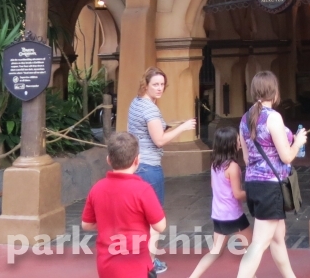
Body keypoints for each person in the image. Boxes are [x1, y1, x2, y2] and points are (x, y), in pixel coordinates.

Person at [235, 71, 306, 278]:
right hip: (270, 186)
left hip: (253, 183)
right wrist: (298, 142)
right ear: (274, 92)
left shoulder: (245, 118)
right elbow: (286, 157)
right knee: (259, 243)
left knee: (277, 238)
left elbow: (247, 159)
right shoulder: (273, 118)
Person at [128, 67, 196, 273]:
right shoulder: (150, 109)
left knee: (139, 217)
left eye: (162, 85)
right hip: (149, 168)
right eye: (155, 84)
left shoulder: (136, 103)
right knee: (154, 219)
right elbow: (159, 140)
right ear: (146, 84)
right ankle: (149, 263)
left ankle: (139, 259)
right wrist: (182, 128)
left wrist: (168, 125)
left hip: (136, 165)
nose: (159, 88)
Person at [82, 132, 167, 278]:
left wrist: (109, 223)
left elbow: (86, 224)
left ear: (108, 160)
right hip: (135, 264)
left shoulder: (97, 188)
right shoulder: (143, 190)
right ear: (137, 160)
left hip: (106, 264)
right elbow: (160, 226)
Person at [187, 126, 250, 278]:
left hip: (218, 214)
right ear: (231, 144)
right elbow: (237, 194)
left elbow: (213, 186)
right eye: (237, 140)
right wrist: (253, 193)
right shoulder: (233, 167)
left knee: (215, 251)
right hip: (234, 215)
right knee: (251, 250)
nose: (239, 142)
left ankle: (193, 276)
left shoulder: (215, 164)